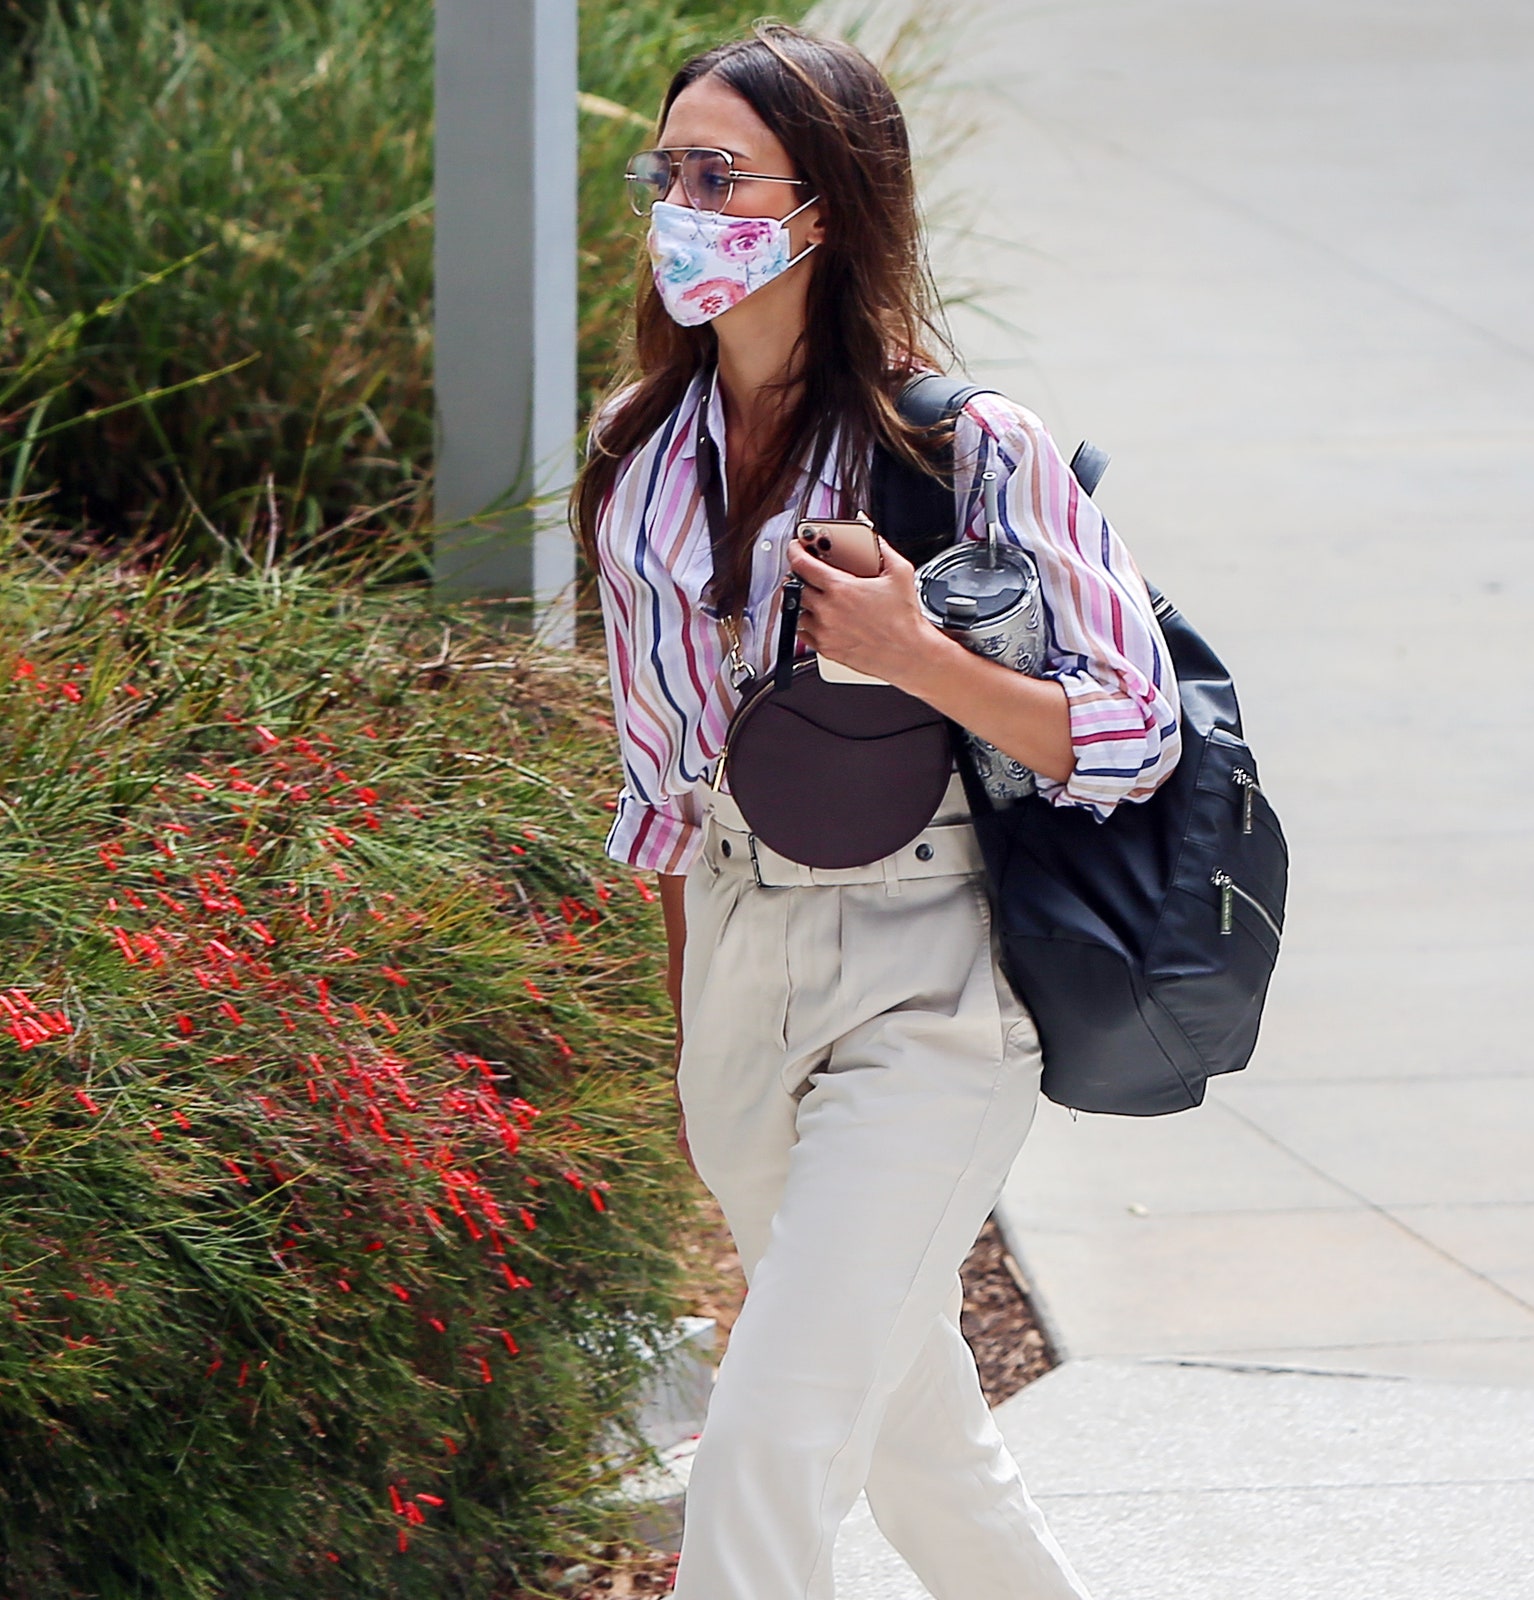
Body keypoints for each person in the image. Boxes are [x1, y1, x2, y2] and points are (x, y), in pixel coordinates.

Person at [573, 23, 1180, 1600]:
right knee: (917, 1446)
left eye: (720, 175)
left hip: (933, 978)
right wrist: (700, 1015)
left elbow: (1133, 731)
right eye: (668, 170)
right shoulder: (637, 454)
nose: (679, 203)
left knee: (768, 1454)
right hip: (738, 973)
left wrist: (917, 654)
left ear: (822, 210)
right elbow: (663, 784)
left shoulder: (967, 449)